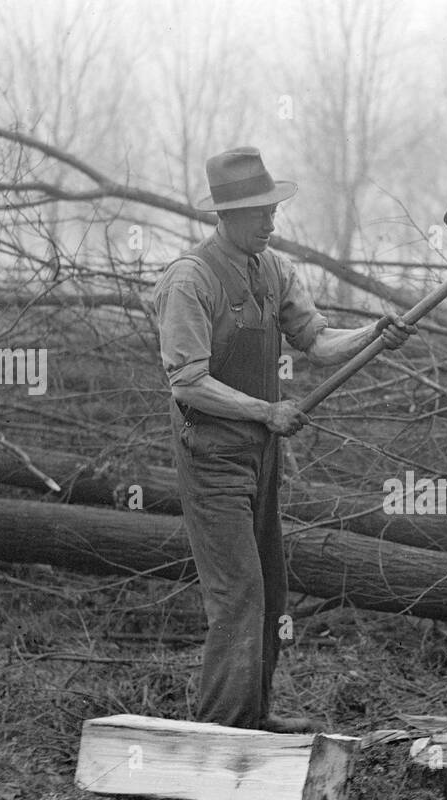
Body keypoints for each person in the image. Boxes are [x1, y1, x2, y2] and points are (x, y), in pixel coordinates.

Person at [152, 147, 414, 731]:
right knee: (238, 593)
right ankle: (220, 730)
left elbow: (317, 341)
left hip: (260, 452)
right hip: (212, 454)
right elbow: (187, 383)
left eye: (272, 209)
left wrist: (374, 334)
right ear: (225, 215)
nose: (270, 222)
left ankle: (253, 717)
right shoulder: (190, 280)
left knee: (270, 589)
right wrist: (264, 410)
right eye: (257, 213)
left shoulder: (273, 270)